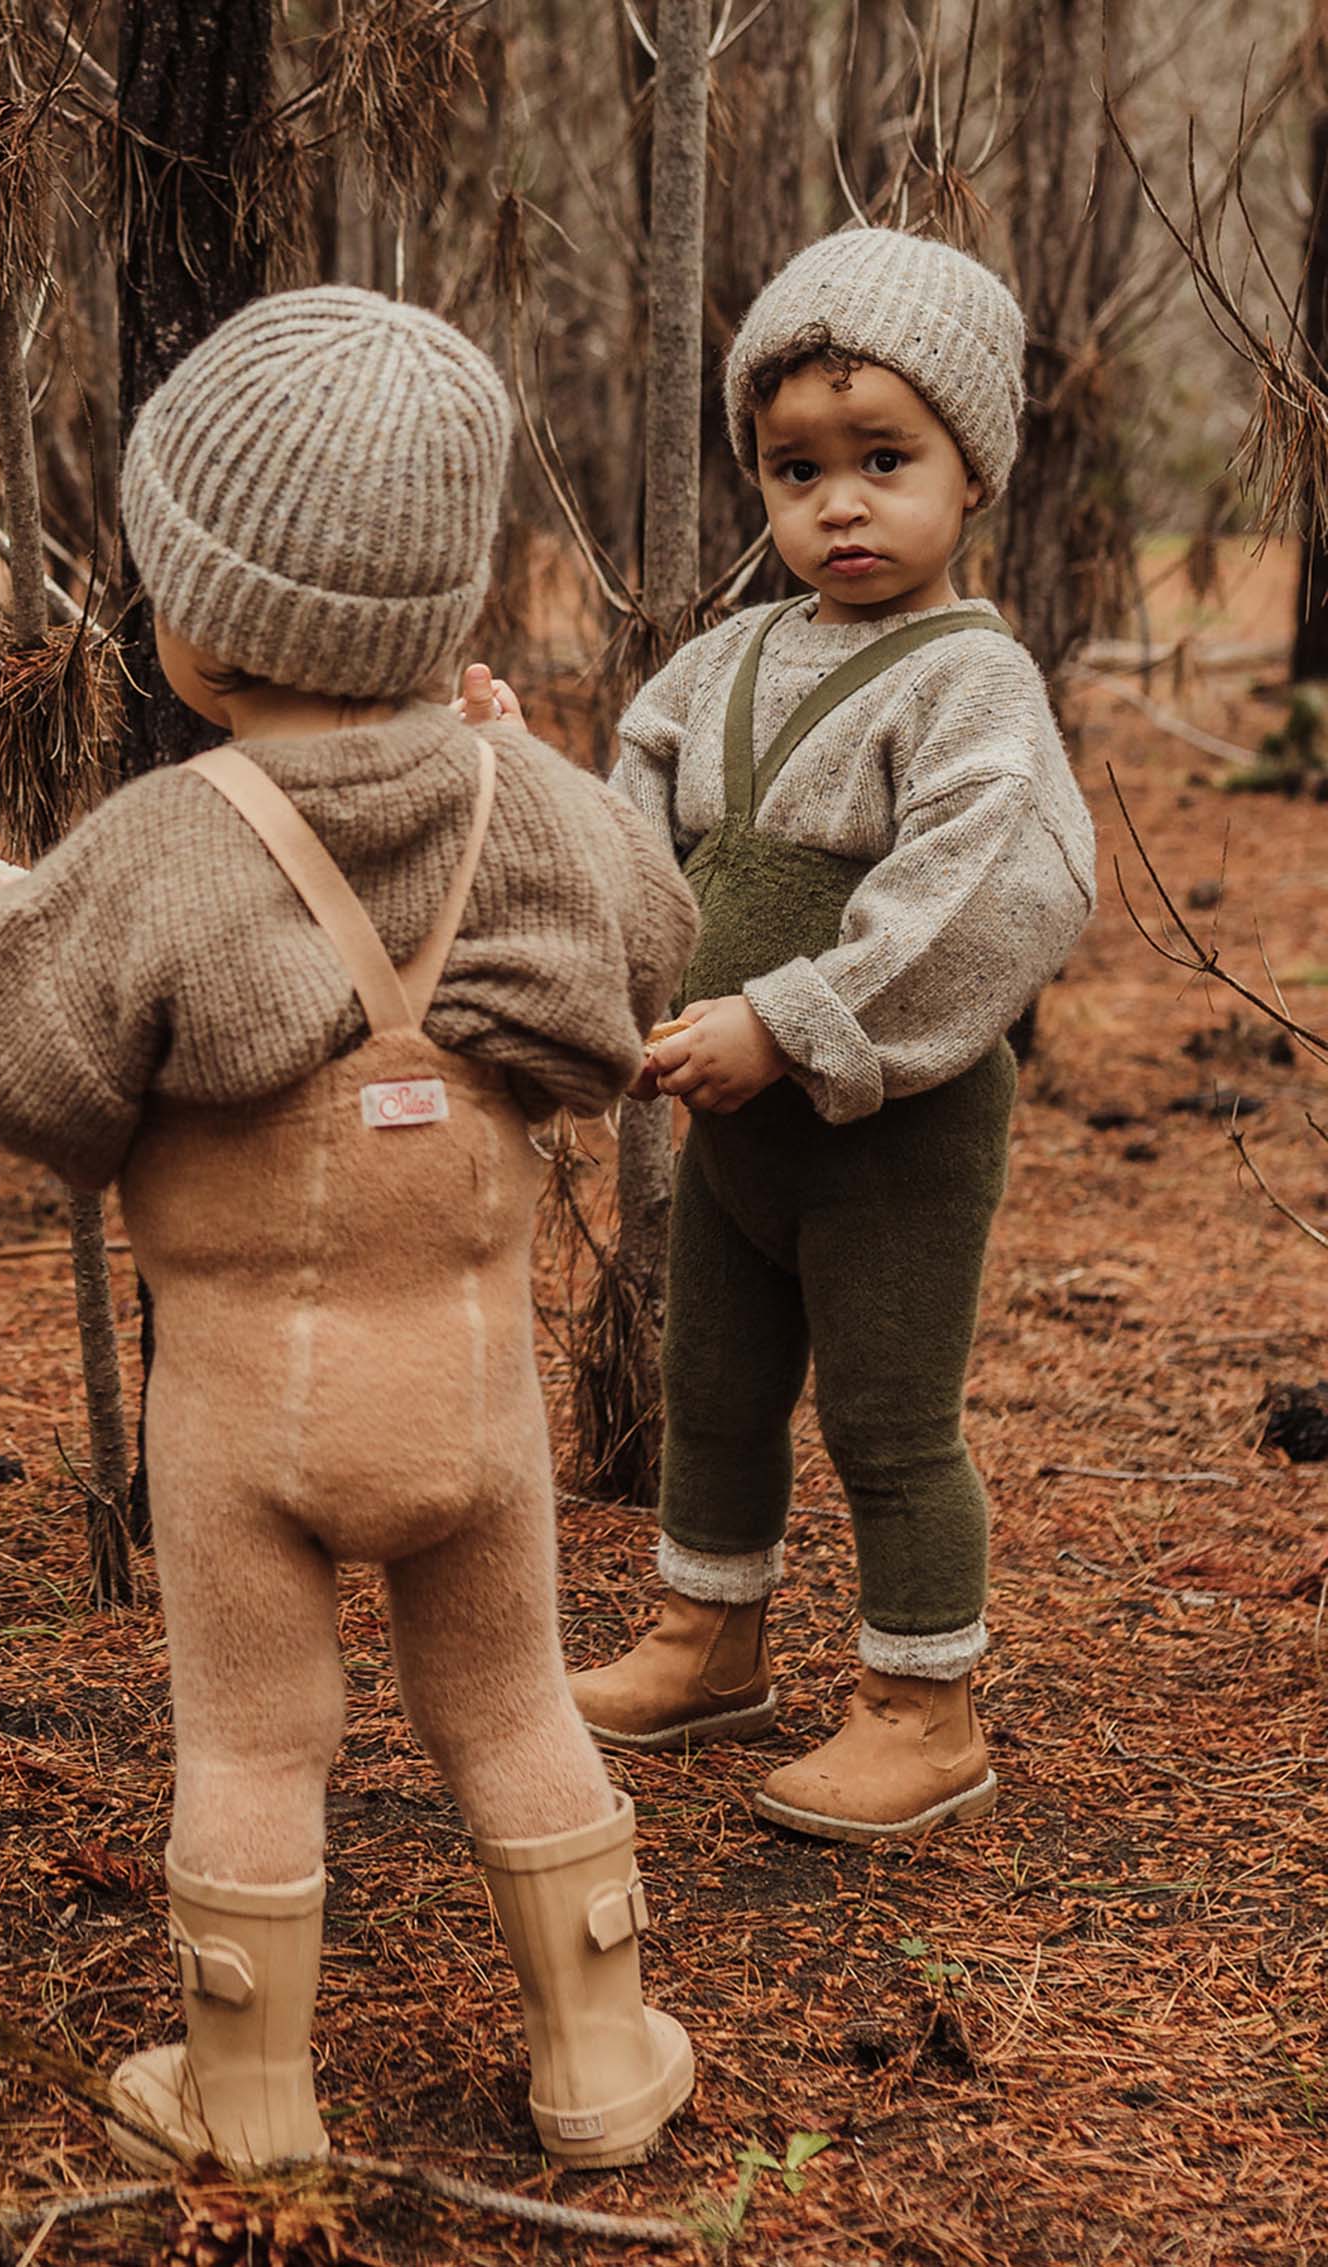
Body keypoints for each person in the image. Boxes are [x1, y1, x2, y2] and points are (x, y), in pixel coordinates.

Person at [0, 287, 699, 2171]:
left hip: (246, 1415)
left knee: (256, 1742)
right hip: (479, 1394)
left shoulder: (163, 841)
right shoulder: (527, 804)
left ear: (201, 620)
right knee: (510, 1701)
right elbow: (654, 927)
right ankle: (595, 2048)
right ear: (444, 610)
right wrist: (521, 767)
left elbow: (35, 1080)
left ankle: (249, 2091)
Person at [467, 229, 1095, 1844]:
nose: (839, 503)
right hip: (732, 1130)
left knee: (891, 1417)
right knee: (718, 1389)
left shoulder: (974, 684)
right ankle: (709, 1634)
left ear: (973, 475)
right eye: (794, 466)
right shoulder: (718, 666)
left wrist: (795, 1022)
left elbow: (985, 899)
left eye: (886, 460)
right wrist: (521, 772)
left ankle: (922, 1704)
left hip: (891, 1127)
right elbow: (628, 842)